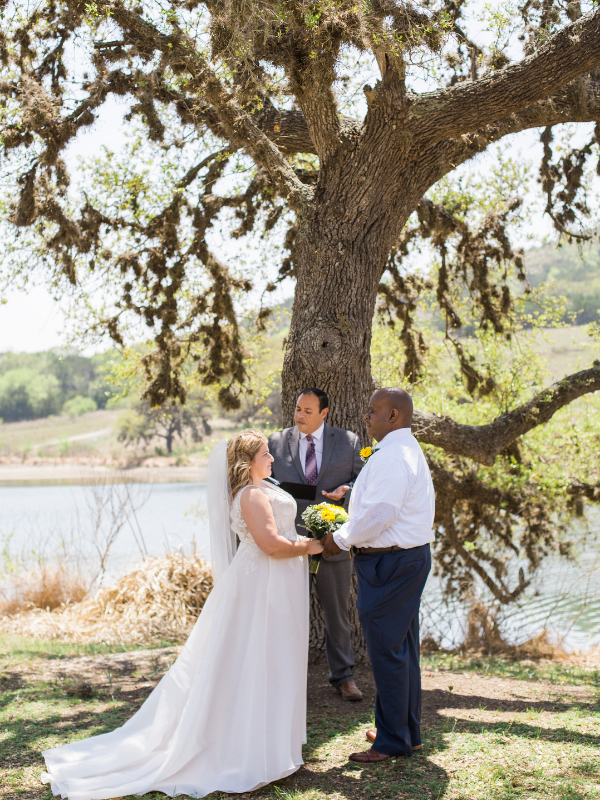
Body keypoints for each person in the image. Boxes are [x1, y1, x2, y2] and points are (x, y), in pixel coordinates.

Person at [41, 429, 323, 799]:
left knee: (273, 659)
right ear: (246, 461)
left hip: (276, 583)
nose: (271, 459)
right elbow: (270, 544)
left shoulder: (262, 487)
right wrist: (315, 544)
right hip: (262, 587)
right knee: (258, 659)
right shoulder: (252, 494)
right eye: (265, 454)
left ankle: (273, 747)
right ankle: (249, 752)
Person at [322, 388, 435, 763]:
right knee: (402, 650)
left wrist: (339, 539)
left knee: (387, 653)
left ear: (394, 415)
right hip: (404, 560)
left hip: (390, 564)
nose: (366, 417)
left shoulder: (394, 456)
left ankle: (391, 742)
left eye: (373, 411)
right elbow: (383, 500)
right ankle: (405, 730)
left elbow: (381, 513)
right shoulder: (400, 449)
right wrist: (353, 493)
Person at [268, 388, 364, 701]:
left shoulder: (347, 442)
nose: (300, 416)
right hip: (289, 544)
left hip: (331, 543)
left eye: (308, 411)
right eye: (298, 409)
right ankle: (282, 677)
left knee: (337, 614)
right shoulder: (275, 442)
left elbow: (362, 483)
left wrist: (345, 492)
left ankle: (344, 677)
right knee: (285, 613)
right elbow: (263, 482)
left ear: (324, 413)